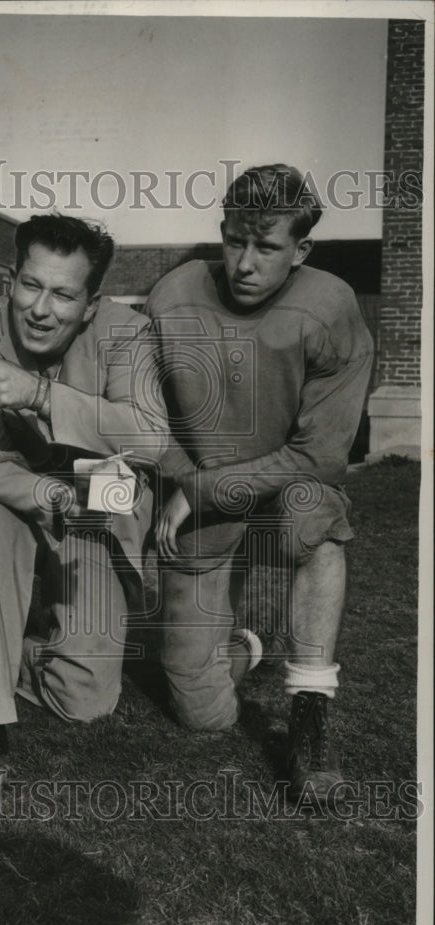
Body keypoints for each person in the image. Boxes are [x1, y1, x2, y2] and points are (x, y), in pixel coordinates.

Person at [146, 164, 374, 800]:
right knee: (200, 715)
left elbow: (320, 457)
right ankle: (245, 643)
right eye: (234, 241)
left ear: (301, 251)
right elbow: (140, 419)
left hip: (283, 490)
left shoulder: (329, 306)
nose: (245, 263)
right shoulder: (172, 296)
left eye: (267, 247)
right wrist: (183, 480)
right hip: (200, 496)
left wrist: (203, 489)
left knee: (320, 526)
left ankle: (308, 725)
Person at [0, 214, 168, 775]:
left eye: (63, 294)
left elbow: (150, 440)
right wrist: (53, 495)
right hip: (5, 494)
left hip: (95, 506)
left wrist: (41, 395)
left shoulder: (125, 331)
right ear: (11, 278)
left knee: (85, 699)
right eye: (31, 285)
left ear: (91, 303)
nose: (41, 309)